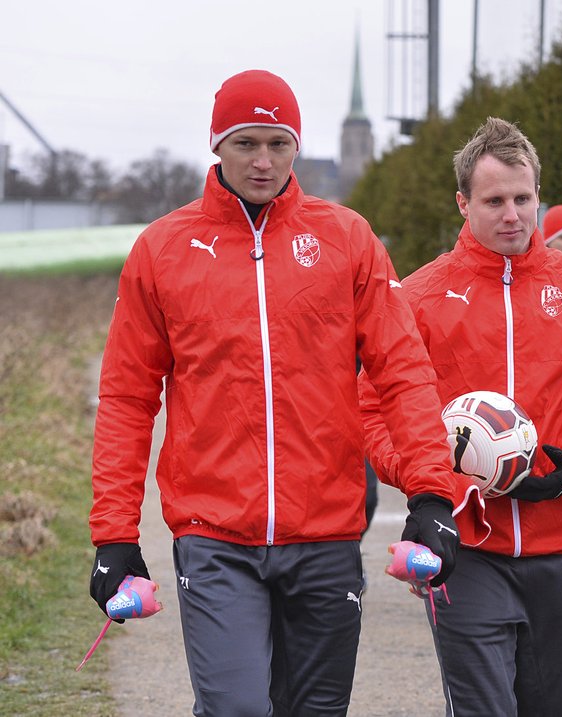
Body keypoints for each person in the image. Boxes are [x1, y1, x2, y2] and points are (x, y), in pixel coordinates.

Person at [87, 69, 482, 716]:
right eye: (246, 143)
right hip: (214, 533)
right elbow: (128, 397)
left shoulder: (348, 240)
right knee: (238, 707)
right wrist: (113, 534)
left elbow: (403, 372)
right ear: (216, 146)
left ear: (298, 146)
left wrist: (432, 494)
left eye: (278, 143)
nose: (264, 161)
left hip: (326, 531)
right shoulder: (163, 250)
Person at [360, 117, 562, 716]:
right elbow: (369, 411)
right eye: (494, 201)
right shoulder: (418, 298)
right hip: (467, 548)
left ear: (538, 195)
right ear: (463, 203)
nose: (511, 214)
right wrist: (430, 482)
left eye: (523, 198)